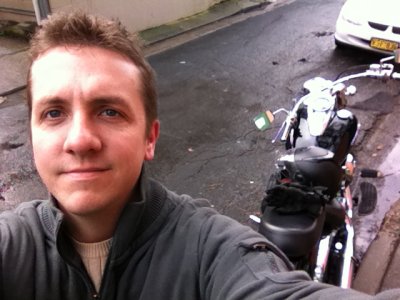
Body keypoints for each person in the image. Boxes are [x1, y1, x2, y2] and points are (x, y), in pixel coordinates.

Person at [0, 11, 399, 300]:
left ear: (149, 138)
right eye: (54, 113)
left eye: (109, 111)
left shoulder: (213, 253)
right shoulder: (13, 245)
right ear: (34, 134)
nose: (80, 139)